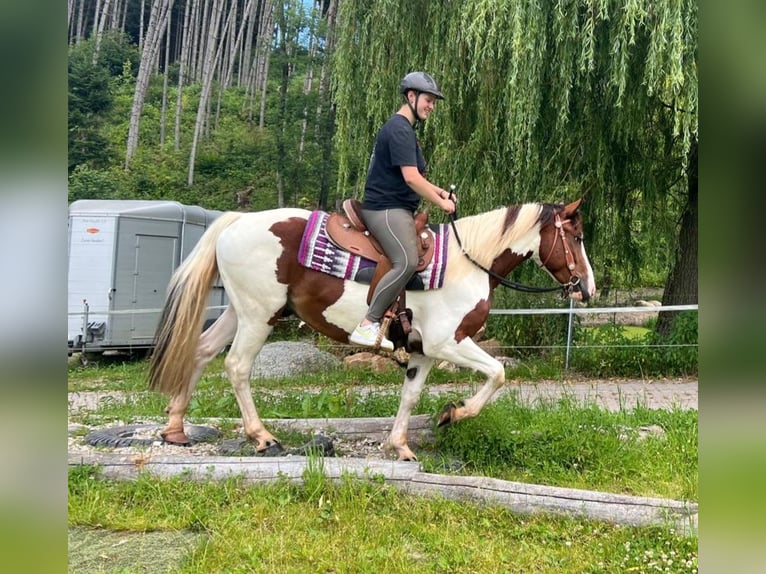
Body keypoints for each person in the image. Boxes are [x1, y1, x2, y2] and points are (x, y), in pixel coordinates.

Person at [349, 71, 457, 351]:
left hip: (398, 207)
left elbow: (415, 177)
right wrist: (441, 203)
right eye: (428, 100)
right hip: (385, 208)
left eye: (433, 102)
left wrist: (441, 192)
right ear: (411, 96)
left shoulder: (405, 130)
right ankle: (368, 324)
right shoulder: (398, 129)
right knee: (407, 261)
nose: (431, 106)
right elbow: (410, 177)